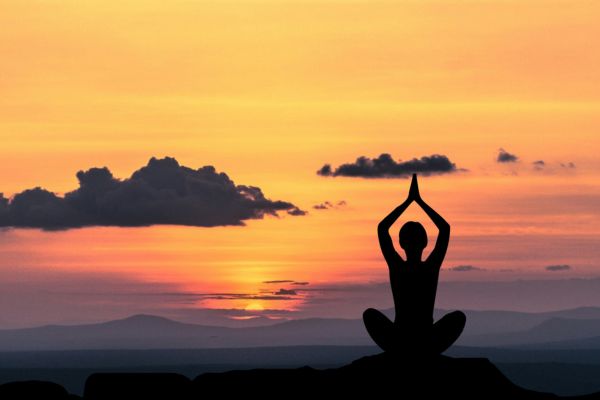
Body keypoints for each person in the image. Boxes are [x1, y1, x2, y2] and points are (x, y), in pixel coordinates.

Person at [363, 173, 466, 357]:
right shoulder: (429, 266)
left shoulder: (399, 266)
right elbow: (444, 229)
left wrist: (410, 201)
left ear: (401, 243)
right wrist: (417, 201)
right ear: (425, 242)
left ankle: (407, 351)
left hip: (405, 338)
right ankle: (417, 351)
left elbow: (382, 228)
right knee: (369, 314)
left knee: (458, 317)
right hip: (421, 339)